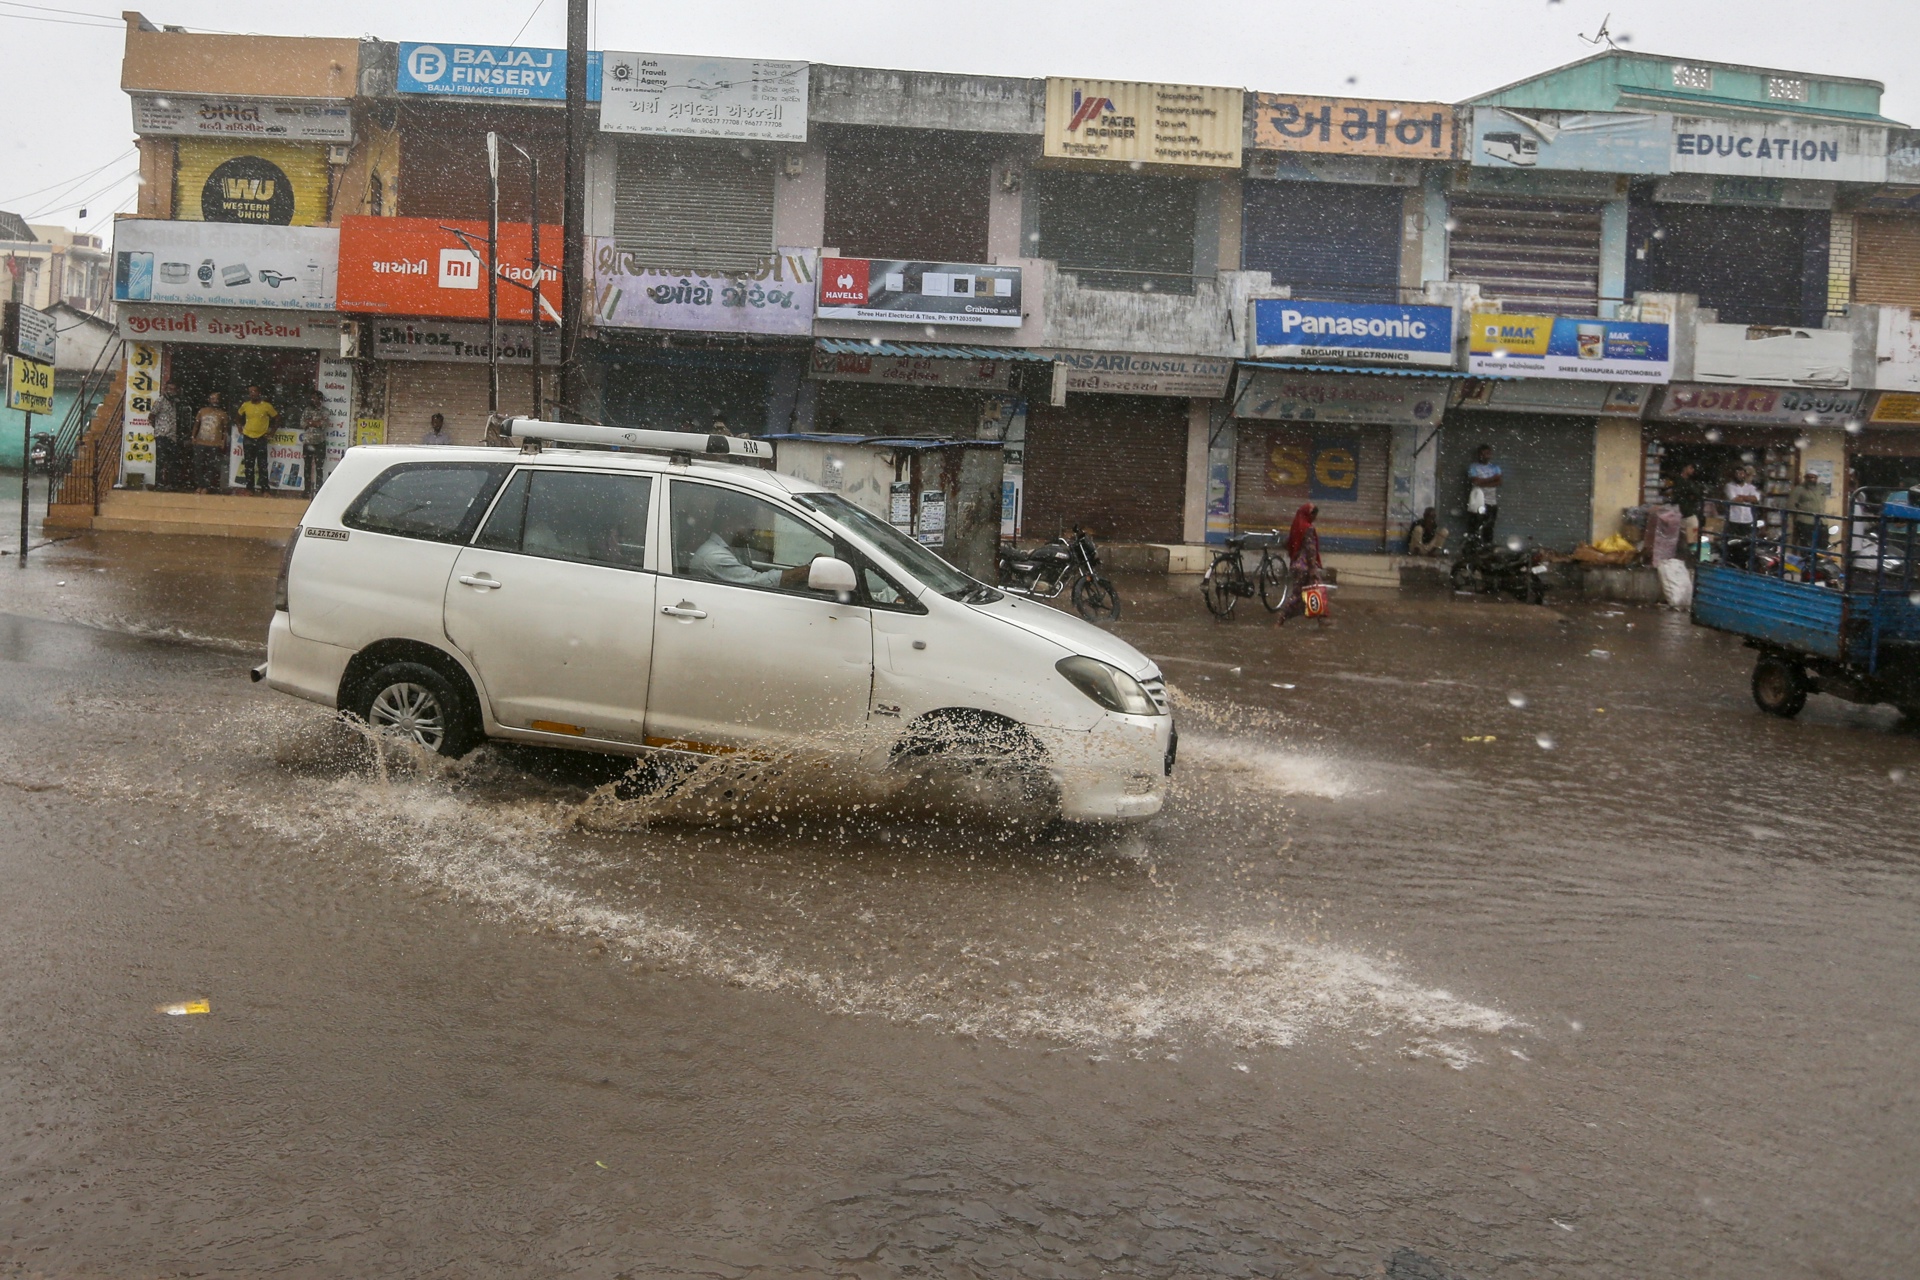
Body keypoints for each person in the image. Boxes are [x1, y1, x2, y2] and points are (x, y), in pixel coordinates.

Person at [235, 384, 278, 495]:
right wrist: (239, 427)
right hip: (248, 437)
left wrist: (272, 432)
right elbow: (238, 416)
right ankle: (250, 488)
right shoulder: (245, 405)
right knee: (249, 464)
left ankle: (265, 489)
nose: (252, 393)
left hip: (261, 438)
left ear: (259, 393)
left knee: (262, 464)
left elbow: (277, 418)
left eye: (255, 391)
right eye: (250, 392)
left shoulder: (267, 406)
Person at [1722, 465, 1762, 568]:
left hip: (1747, 520)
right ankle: (1732, 564)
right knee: (1732, 543)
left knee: (1746, 544)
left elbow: (1755, 499)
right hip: (1734, 519)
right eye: (1738, 473)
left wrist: (1742, 497)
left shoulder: (1751, 487)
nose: (1740, 475)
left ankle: (1744, 564)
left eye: (1742, 473)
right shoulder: (1729, 486)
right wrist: (1747, 498)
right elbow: (1734, 499)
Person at [191, 390, 229, 495]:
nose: (215, 401)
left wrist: (223, 441)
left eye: (216, 399)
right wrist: (193, 436)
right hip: (200, 442)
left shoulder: (223, 414)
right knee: (198, 464)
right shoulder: (202, 411)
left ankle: (206, 487)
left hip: (215, 444)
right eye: (212, 398)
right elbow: (196, 425)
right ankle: (200, 485)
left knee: (211, 466)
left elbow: (225, 430)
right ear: (209, 400)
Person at [1466, 444, 1502, 542]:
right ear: (1479, 455)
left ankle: (1487, 549)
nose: (1485, 456)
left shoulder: (1495, 467)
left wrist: (1484, 482)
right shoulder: (1473, 467)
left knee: (1489, 527)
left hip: (1492, 502)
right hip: (1478, 502)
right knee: (1476, 527)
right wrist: (1492, 479)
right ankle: (1473, 549)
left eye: (1488, 453)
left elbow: (1499, 482)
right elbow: (1476, 482)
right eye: (1483, 454)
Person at [150, 379, 182, 490]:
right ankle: (159, 483)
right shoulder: (160, 401)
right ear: (165, 389)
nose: (171, 391)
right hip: (162, 435)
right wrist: (158, 429)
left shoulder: (176, 402)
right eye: (169, 389)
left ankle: (171, 483)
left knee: (172, 461)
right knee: (161, 460)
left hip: (172, 436)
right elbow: (152, 416)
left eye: (173, 389)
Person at [300, 388, 331, 496]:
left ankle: (319, 490)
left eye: (315, 398)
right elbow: (302, 424)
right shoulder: (307, 410)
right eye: (311, 398)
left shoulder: (325, 411)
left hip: (320, 442)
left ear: (320, 400)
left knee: (319, 467)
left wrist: (311, 422)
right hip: (308, 442)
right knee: (307, 467)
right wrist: (315, 422)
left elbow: (323, 425)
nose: (313, 400)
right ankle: (306, 490)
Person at [1669, 462, 1706, 554]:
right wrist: (1691, 494)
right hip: (1686, 513)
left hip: (1682, 513)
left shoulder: (1688, 482)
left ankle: (1692, 556)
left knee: (1685, 539)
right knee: (1693, 538)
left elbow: (1697, 494)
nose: (1692, 471)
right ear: (1685, 468)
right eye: (1691, 468)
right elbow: (1695, 494)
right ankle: (1699, 557)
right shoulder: (1681, 481)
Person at [1787, 470, 1827, 552]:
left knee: (1822, 547)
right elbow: (1791, 505)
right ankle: (1808, 563)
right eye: (1808, 477)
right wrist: (1798, 515)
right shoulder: (1799, 489)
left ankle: (1819, 563)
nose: (1811, 479)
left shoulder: (1820, 489)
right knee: (1807, 547)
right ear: (1805, 478)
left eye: (1813, 477)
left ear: (1816, 478)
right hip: (1805, 522)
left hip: (1821, 522)